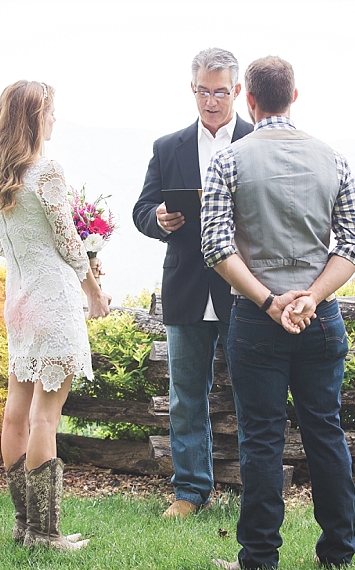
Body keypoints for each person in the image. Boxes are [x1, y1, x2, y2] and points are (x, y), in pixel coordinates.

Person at [201, 56, 355, 570]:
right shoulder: (333, 158)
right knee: (326, 431)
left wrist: (271, 302)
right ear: (294, 96)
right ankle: (339, 552)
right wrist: (312, 297)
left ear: (248, 101)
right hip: (321, 319)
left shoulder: (229, 160)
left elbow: (215, 245)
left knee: (261, 439)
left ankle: (258, 558)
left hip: (257, 320)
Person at [0, 80, 111, 551]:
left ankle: (24, 526)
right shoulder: (47, 172)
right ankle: (46, 533)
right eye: (51, 111)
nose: (55, 119)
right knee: (46, 418)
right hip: (53, 301)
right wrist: (93, 290)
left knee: (16, 413)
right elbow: (69, 244)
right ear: (34, 117)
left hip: (18, 301)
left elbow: (2, 248)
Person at [132, 48, 253, 518]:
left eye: (220, 91)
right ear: (193, 89)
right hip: (185, 289)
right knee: (185, 398)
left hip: (243, 292)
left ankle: (255, 488)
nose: (211, 101)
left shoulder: (254, 142)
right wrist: (158, 219)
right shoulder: (168, 147)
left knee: (252, 395)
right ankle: (189, 492)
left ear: (237, 91)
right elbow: (141, 211)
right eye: (203, 91)